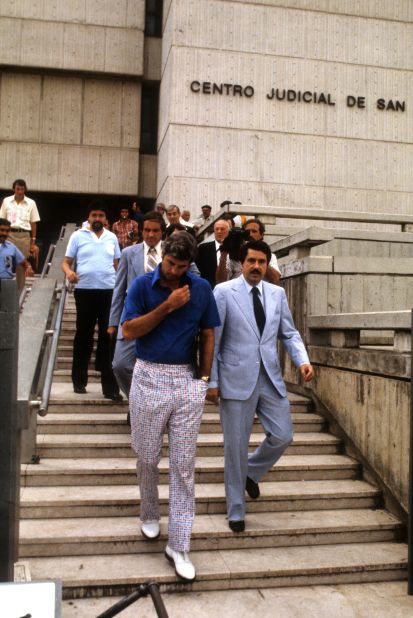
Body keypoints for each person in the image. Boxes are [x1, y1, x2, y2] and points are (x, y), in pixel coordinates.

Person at [121, 232, 220, 581]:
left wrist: (205, 379)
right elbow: (129, 331)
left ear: (190, 263)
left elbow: (209, 333)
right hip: (147, 376)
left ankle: (179, 544)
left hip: (186, 381)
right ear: (162, 256)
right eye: (170, 263)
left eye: (181, 266)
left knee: (183, 467)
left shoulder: (202, 288)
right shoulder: (141, 286)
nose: (174, 271)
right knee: (147, 456)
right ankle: (149, 511)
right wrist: (168, 306)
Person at [207, 240, 314, 532]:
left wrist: (301, 360)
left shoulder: (277, 294)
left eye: (261, 262)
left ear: (267, 265)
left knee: (283, 435)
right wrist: (212, 381)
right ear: (242, 263)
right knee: (235, 446)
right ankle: (236, 510)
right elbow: (212, 340)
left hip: (269, 377)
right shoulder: (223, 292)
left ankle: (251, 473)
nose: (256, 267)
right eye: (251, 261)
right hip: (235, 379)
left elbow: (289, 333)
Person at [62, 200, 121, 399]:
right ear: (88, 217)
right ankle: (79, 380)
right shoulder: (77, 236)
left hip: (108, 292)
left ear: (106, 219)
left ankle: (110, 388)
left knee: (108, 337)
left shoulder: (112, 237)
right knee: (83, 336)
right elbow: (65, 262)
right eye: (94, 215)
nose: (97, 219)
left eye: (101, 216)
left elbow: (117, 265)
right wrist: (69, 272)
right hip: (84, 291)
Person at [0, 179, 40, 289]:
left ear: (25, 190)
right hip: (8, 234)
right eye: (18, 189)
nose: (20, 192)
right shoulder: (6, 201)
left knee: (21, 265)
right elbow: (2, 220)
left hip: (24, 236)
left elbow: (33, 223)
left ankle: (19, 294)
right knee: (3, 259)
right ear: (14, 189)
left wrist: (33, 241)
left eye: (22, 189)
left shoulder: (31, 203)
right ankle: (3, 287)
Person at [216, 217, 281, 284]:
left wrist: (263, 260)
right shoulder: (231, 255)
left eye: (254, 231)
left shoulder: (270, 256)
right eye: (247, 232)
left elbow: (275, 280)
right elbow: (220, 281)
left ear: (261, 235)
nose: (250, 234)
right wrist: (223, 254)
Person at [195, 218, 230, 288]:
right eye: (217, 229)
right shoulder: (203, 248)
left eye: (222, 229)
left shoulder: (235, 249)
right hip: (209, 288)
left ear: (228, 231)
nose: (219, 231)